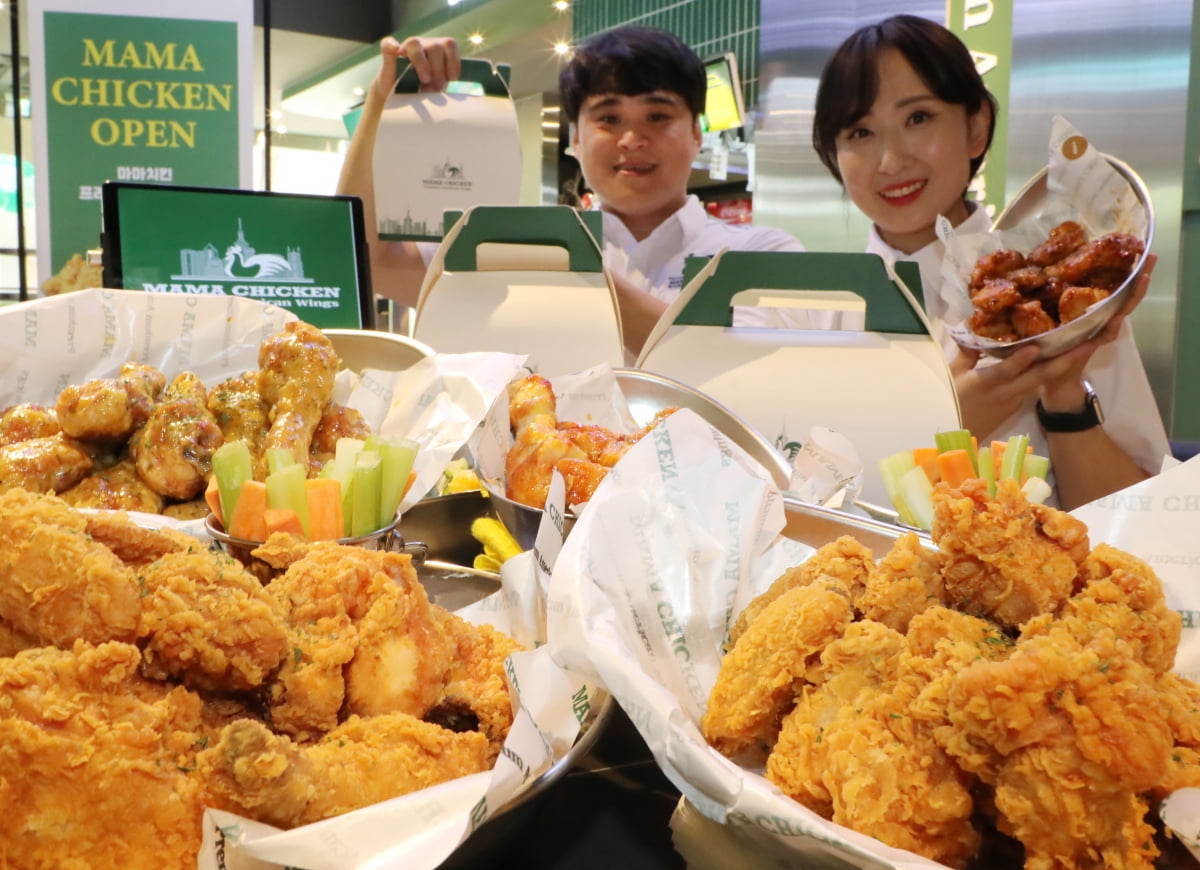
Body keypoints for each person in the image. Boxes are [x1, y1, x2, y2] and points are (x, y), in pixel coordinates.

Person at [810, 13, 1169, 510]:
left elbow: (1141, 521)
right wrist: (951, 421)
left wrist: (1063, 397)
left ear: (976, 128)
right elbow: (805, 509)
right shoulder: (819, 313)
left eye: (918, 118)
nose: (890, 160)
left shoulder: (1061, 306)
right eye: (859, 132)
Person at [337, 26, 805, 360]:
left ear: (697, 133)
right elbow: (370, 260)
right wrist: (384, 100)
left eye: (658, 117)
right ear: (575, 139)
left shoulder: (760, 255)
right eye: (608, 118)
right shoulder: (508, 250)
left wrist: (574, 269)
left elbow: (731, 365)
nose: (631, 140)